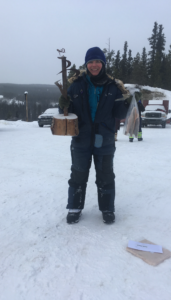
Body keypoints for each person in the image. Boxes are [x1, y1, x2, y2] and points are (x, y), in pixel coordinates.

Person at [59, 47, 131, 224]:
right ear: (86, 64)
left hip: (104, 138)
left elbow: (118, 112)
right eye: (91, 62)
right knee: (78, 174)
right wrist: (63, 105)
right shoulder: (76, 85)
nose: (94, 65)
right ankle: (75, 208)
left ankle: (107, 209)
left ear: (103, 64)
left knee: (106, 175)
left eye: (98, 61)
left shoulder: (113, 86)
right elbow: (65, 113)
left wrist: (131, 103)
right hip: (80, 138)